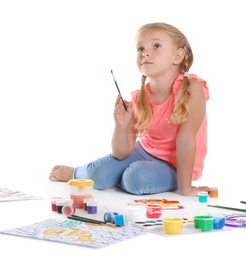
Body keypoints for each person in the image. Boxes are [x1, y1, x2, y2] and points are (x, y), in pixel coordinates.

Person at [49, 22, 210, 197]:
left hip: (177, 165)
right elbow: (122, 152)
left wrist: (185, 188)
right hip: (144, 151)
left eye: (156, 46)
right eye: (140, 49)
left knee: (136, 178)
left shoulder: (191, 88)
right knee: (98, 175)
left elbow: (186, 138)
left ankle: (122, 177)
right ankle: (76, 173)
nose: (145, 53)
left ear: (178, 56)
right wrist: (121, 125)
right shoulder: (139, 97)